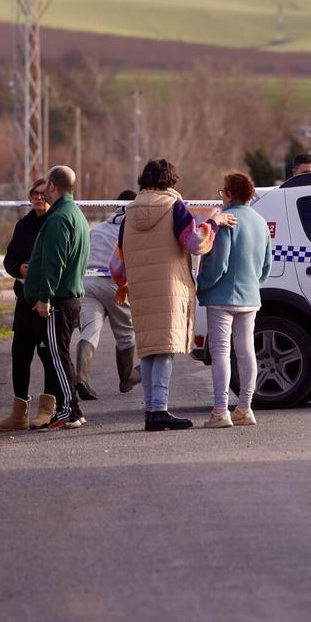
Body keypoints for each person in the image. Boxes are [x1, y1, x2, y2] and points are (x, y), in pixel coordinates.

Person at [110, 158, 236, 432]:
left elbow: (117, 267)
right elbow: (194, 243)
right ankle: (160, 410)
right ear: (171, 181)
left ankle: (150, 411)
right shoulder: (174, 207)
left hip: (141, 289)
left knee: (148, 349)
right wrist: (214, 222)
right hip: (169, 288)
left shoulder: (129, 212)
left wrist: (124, 284)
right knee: (165, 348)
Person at [196, 173, 272, 427]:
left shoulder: (228, 220)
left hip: (221, 296)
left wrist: (202, 284)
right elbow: (266, 267)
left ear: (229, 194)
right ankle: (245, 408)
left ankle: (220, 410)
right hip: (250, 296)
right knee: (246, 350)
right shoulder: (261, 223)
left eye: (222, 191)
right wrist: (252, 284)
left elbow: (219, 264)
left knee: (221, 352)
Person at [24, 165, 91, 430]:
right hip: (69, 298)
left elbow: (54, 263)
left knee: (58, 356)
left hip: (59, 300)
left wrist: (45, 297)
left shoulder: (59, 218)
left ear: (52, 186)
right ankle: (73, 409)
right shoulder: (77, 214)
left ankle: (69, 411)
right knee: (59, 354)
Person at [0, 178, 61, 431]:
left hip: (47, 302)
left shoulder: (56, 222)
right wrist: (18, 268)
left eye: (43, 194)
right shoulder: (23, 225)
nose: (39, 198)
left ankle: (47, 410)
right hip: (24, 299)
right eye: (35, 193)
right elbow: (9, 257)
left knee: (48, 355)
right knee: (20, 355)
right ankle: (18, 413)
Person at [75, 190, 141, 399]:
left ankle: (81, 377)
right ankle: (127, 378)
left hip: (87, 282)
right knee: (125, 332)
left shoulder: (98, 229)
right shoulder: (132, 229)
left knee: (90, 329)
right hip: (114, 284)